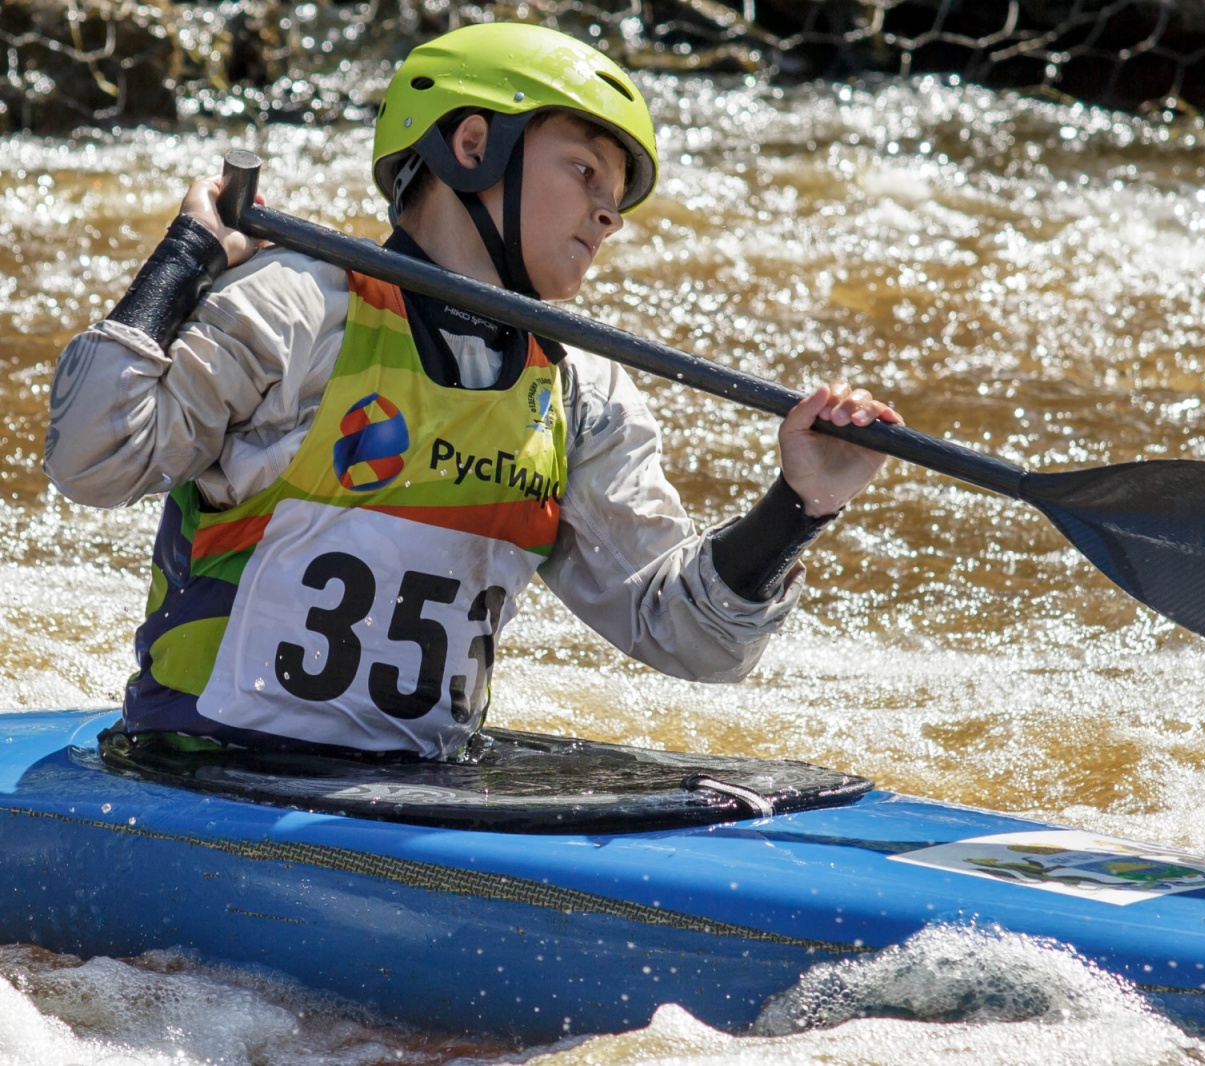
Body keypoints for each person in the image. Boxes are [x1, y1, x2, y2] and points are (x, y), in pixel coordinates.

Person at [43, 22, 901, 759]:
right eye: (586, 170)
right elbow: (93, 462)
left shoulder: (579, 391)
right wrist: (182, 259)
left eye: (617, 195)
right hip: (206, 771)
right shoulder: (300, 310)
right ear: (471, 145)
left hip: (411, 791)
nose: (611, 215)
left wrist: (799, 504)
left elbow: (691, 635)